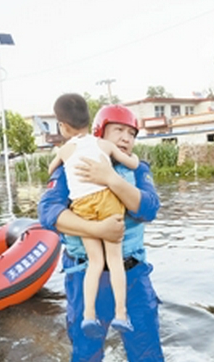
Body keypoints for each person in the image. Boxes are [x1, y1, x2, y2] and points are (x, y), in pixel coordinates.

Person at [38, 105, 165, 362]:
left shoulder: (137, 169)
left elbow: (148, 207)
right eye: (119, 130)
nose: (126, 138)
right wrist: (98, 228)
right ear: (100, 132)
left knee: (147, 351)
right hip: (86, 275)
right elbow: (49, 213)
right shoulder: (72, 166)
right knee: (85, 351)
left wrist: (110, 178)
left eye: (132, 133)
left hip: (132, 275)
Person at [48, 93, 139, 338]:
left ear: (63, 126)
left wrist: (63, 160)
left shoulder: (65, 149)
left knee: (95, 263)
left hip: (81, 206)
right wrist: (135, 159)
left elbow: (51, 168)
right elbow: (130, 163)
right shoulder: (103, 145)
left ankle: (89, 315)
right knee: (115, 260)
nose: (125, 137)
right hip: (107, 201)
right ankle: (121, 314)